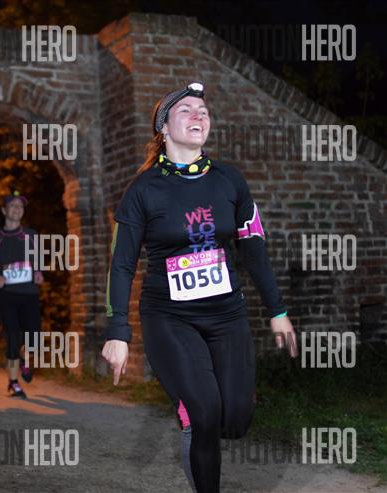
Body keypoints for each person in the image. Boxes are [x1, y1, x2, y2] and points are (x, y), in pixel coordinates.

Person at [102, 82, 298, 493]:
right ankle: (194, 419)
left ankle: (204, 411)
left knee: (236, 418)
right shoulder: (143, 190)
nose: (199, 115)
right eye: (186, 110)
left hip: (227, 314)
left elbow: (254, 250)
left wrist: (277, 311)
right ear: (163, 127)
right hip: (169, 317)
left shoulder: (230, 181)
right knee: (204, 415)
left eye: (204, 111)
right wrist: (117, 332)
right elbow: (121, 265)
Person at [0, 191, 44, 398]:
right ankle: (13, 382)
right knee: (13, 337)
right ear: (4, 210)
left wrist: (38, 272)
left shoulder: (31, 235)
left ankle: (26, 360)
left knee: (33, 336)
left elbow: (38, 261)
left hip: (29, 293)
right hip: (7, 296)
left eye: (20, 206)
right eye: (12, 206)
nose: (17, 209)